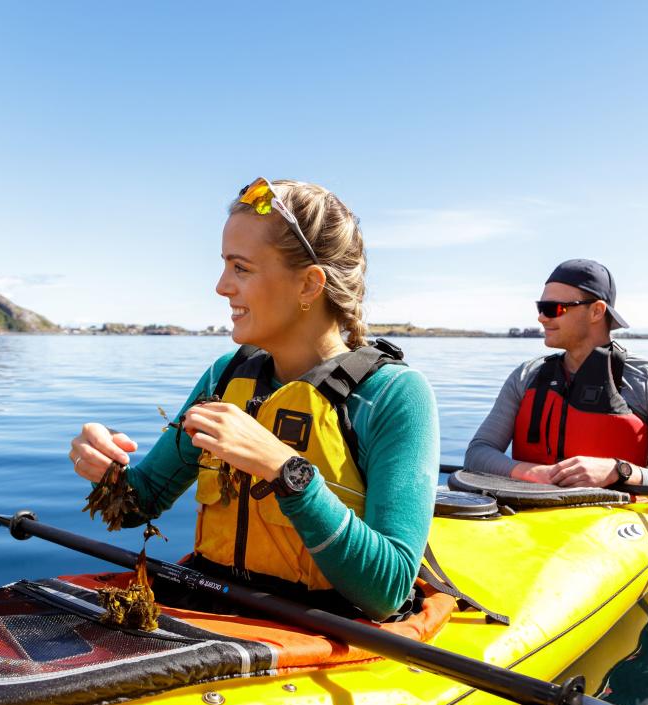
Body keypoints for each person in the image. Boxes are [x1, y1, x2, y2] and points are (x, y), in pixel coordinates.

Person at [68, 178, 439, 622]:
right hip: (212, 618)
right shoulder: (224, 376)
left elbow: (389, 590)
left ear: (308, 285)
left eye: (241, 268)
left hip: (323, 636)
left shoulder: (394, 396)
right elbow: (136, 506)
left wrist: (286, 470)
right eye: (225, 266)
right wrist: (106, 469)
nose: (222, 286)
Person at [465, 259, 648, 491]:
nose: (541, 317)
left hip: (613, 522)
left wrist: (618, 470)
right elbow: (477, 453)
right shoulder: (525, 376)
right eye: (540, 307)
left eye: (553, 308)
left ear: (596, 311)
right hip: (528, 516)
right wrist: (536, 473)